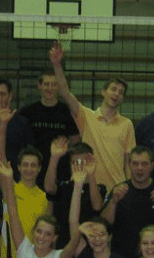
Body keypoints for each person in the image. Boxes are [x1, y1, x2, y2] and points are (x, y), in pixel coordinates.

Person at [50, 43, 135, 188]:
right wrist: (57, 64)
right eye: (113, 89)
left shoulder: (127, 124)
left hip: (116, 190)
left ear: (123, 99)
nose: (116, 94)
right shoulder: (86, 116)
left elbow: (128, 161)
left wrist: (130, 188)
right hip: (89, 187)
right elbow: (65, 92)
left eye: (121, 93)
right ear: (103, 92)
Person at [101, 146, 154, 258]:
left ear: (152, 165)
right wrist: (113, 202)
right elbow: (104, 224)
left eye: (144, 164)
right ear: (129, 165)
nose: (139, 168)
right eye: (135, 163)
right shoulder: (119, 190)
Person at [0, 146, 50, 258]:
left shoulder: (44, 198)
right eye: (25, 165)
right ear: (18, 167)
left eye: (33, 165)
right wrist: (3, 125)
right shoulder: (10, 188)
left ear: (39, 168)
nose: (29, 169)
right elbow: (0, 157)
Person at [18, 69, 80, 188]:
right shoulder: (27, 112)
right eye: (46, 84)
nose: (50, 88)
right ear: (39, 86)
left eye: (54, 84)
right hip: (32, 170)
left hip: (60, 170)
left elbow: (75, 141)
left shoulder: (67, 112)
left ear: (58, 87)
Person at [45, 139, 106, 249]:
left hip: (87, 248)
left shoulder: (99, 188)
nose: (79, 166)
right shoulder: (64, 187)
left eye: (83, 162)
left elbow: (97, 206)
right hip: (63, 247)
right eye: (74, 163)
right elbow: (49, 188)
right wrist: (54, 157)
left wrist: (91, 174)